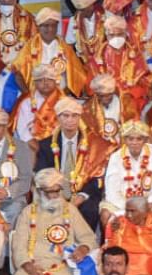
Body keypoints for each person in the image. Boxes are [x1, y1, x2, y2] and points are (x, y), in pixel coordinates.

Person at [33, 97, 112, 231]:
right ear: (58, 118)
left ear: (80, 118)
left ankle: (86, 246)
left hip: (83, 194)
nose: (70, 120)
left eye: (75, 116)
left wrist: (81, 197)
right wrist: (55, 193)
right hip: (53, 192)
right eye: (66, 115)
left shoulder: (94, 144)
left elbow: (97, 178)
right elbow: (41, 173)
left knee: (90, 209)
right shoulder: (46, 144)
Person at [101, 120, 152, 225]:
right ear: (125, 140)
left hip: (150, 202)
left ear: (145, 140)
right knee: (106, 215)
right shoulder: (116, 157)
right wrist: (129, 207)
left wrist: (146, 205)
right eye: (130, 139)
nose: (134, 142)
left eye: (139, 139)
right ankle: (115, 242)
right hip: (122, 202)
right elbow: (112, 189)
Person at [9, 8, 90, 97]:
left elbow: (79, 74)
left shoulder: (65, 48)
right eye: (46, 25)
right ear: (39, 27)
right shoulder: (29, 47)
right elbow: (17, 73)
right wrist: (28, 96)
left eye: (53, 25)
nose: (50, 29)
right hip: (37, 97)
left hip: (61, 96)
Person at [84, 24, 151, 121]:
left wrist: (128, 92)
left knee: (130, 106)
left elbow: (144, 79)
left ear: (125, 35)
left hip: (130, 94)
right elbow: (91, 83)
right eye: (112, 35)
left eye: (119, 34)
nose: (116, 38)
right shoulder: (98, 55)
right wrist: (109, 89)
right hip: (104, 93)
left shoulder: (135, 53)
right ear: (106, 36)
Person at [10, 64, 67, 146]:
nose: (45, 83)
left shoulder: (65, 102)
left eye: (49, 79)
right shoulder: (27, 102)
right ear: (35, 83)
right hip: (33, 145)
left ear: (56, 81)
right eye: (40, 80)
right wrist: (33, 143)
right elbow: (22, 129)